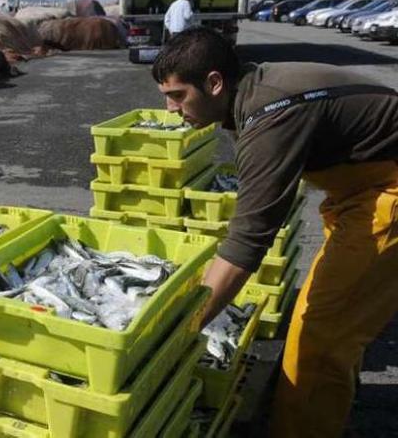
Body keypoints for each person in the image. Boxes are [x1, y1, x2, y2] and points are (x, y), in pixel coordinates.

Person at [151, 27, 398, 437]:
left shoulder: (271, 112)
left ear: (214, 83)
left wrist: (184, 327)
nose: (170, 108)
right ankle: (328, 400)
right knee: (335, 318)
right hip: (360, 190)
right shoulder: (252, 88)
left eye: (177, 95)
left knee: (318, 334)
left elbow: (248, 242)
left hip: (387, 193)